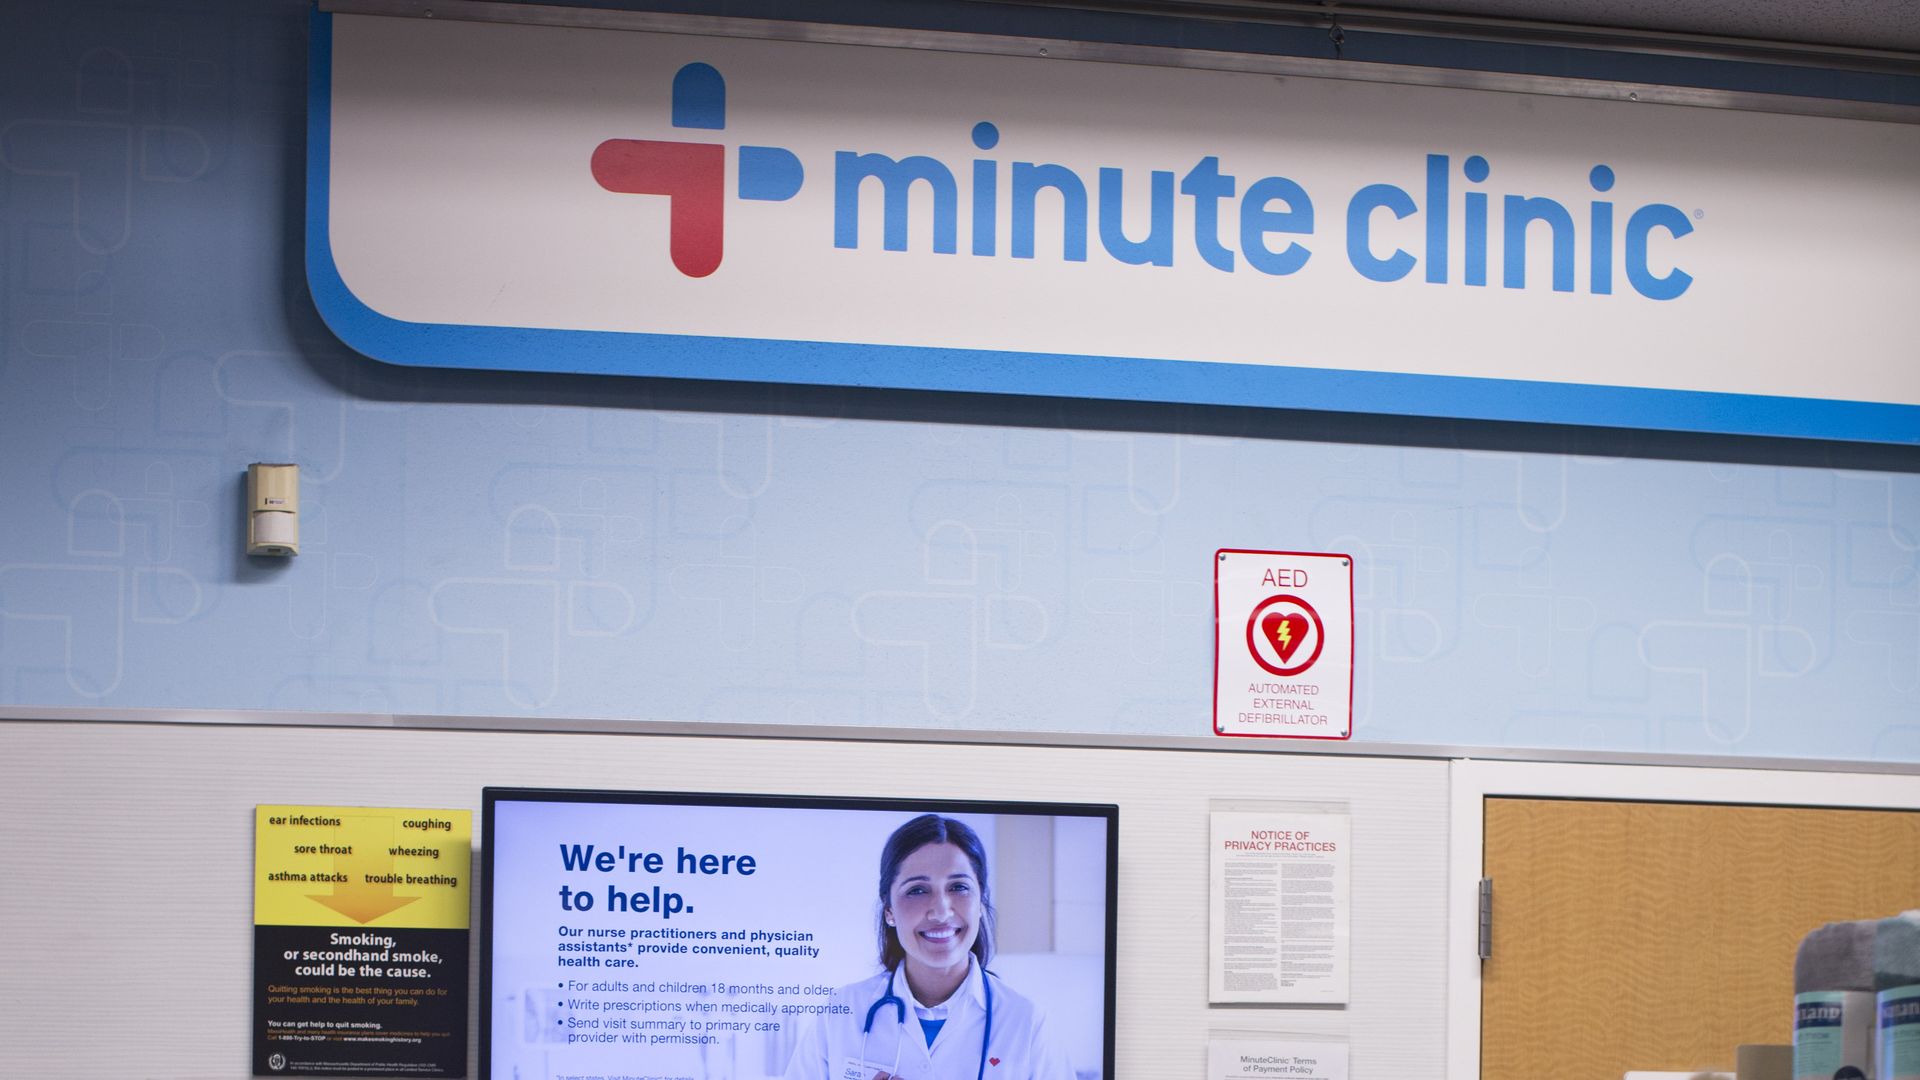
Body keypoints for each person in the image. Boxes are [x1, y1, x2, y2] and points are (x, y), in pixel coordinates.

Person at [783, 814, 1079, 1080]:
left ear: (980, 901)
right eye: (918, 890)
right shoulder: (841, 1013)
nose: (940, 911)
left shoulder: (1026, 1022)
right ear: (889, 910)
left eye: (959, 887)